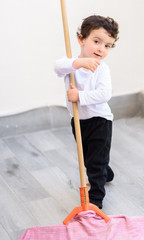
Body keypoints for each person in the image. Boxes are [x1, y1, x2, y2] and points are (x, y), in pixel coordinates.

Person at [55, 15, 119, 209]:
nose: (101, 49)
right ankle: (105, 172)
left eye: (107, 46)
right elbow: (57, 67)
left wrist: (79, 96)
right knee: (88, 156)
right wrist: (78, 64)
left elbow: (104, 94)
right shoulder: (70, 65)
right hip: (78, 121)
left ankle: (96, 199)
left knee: (94, 163)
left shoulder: (101, 69)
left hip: (100, 121)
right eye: (97, 41)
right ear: (81, 39)